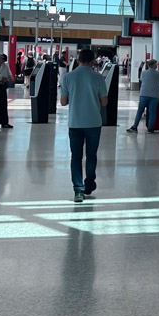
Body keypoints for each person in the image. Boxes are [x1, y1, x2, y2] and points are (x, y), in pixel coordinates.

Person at [59, 48, 108, 203]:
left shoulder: (68, 77)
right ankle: (89, 183)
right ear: (93, 61)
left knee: (76, 157)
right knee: (91, 155)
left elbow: (63, 102)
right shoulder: (98, 78)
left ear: (78, 59)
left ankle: (78, 190)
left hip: (75, 123)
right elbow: (104, 102)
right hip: (93, 122)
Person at [127, 58, 159, 133]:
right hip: (155, 95)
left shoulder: (144, 73)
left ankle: (135, 127)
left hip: (144, 94)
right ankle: (150, 128)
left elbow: (142, 80)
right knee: (152, 112)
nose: (157, 65)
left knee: (140, 111)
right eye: (156, 64)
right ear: (153, 65)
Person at [0, 53, 15, 128]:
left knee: (3, 105)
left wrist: (10, 79)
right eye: (1, 59)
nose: (2, 61)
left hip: (2, 86)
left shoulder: (5, 65)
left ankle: (4, 122)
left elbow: (10, 77)